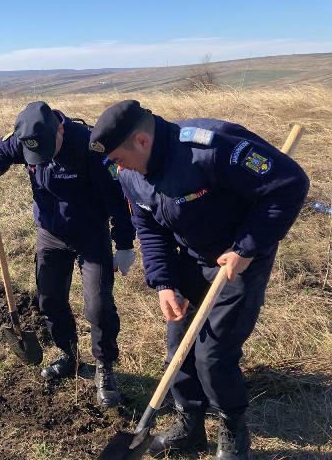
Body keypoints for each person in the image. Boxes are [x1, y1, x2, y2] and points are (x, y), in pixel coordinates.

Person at [89, 100, 309, 459]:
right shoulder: (130, 174)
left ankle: (232, 431)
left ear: (142, 142)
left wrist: (247, 247)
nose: (117, 167)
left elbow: (288, 184)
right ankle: (190, 427)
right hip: (191, 257)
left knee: (214, 356)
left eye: (118, 158)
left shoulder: (211, 148)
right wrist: (164, 283)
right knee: (179, 347)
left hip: (239, 262)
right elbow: (149, 227)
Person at [0, 101, 136, 407]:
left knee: (98, 306)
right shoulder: (26, 138)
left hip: (91, 234)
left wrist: (125, 244)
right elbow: (2, 149)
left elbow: (119, 199)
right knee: (49, 299)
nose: (41, 157)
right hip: (50, 233)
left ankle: (105, 368)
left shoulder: (91, 147)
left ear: (60, 129)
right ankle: (68, 354)